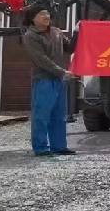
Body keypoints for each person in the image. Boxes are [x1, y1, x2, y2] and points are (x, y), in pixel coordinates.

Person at [22, 8, 79, 157]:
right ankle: (41, 147)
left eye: (47, 13)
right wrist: (62, 72)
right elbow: (41, 59)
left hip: (60, 79)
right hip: (43, 80)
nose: (46, 16)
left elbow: (70, 48)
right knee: (41, 115)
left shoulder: (56, 32)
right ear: (33, 18)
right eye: (41, 14)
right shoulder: (31, 36)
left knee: (59, 115)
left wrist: (77, 32)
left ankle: (59, 146)